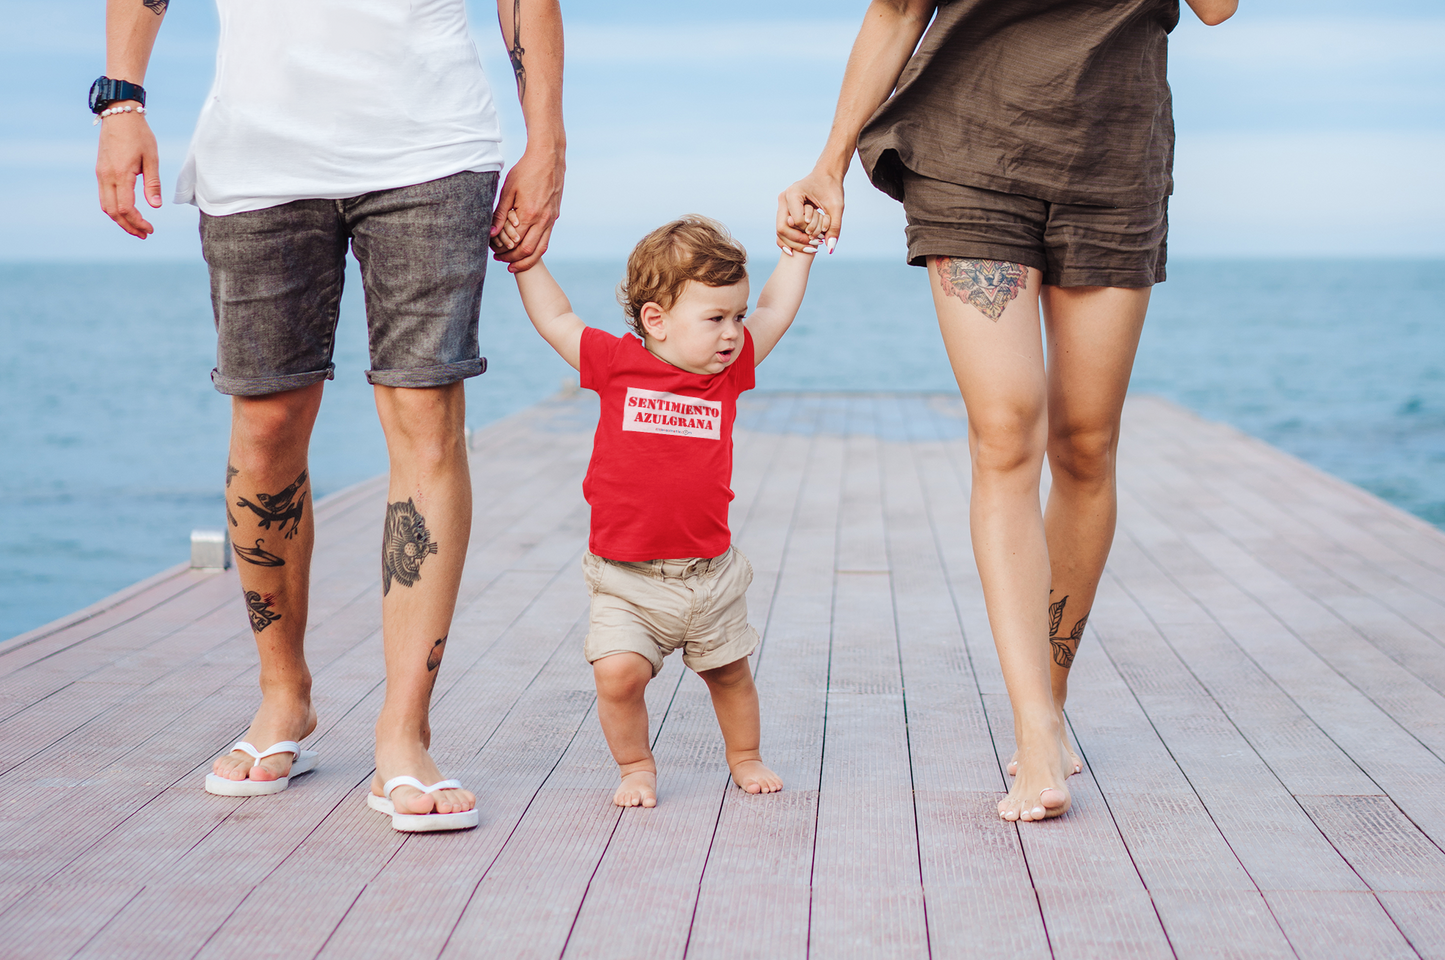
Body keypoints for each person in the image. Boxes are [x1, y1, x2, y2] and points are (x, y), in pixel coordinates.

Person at [93, 0, 565, 832]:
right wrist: (122, 103)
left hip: (431, 143)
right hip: (259, 151)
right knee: (266, 425)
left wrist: (546, 135)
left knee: (425, 420)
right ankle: (285, 699)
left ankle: (404, 732)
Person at [777, 0, 1237, 822]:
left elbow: (1217, 8)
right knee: (1004, 435)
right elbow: (896, 11)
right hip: (968, 154)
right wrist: (828, 163)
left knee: (1086, 446)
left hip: (1111, 164)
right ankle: (1031, 729)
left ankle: (1051, 702)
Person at [503, 215, 822, 807]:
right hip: (627, 579)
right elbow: (557, 319)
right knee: (617, 675)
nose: (732, 333)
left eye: (737, 316)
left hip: (709, 576)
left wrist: (799, 254)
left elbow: (776, 310)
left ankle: (745, 756)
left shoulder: (726, 374)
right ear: (657, 321)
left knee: (729, 674)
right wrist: (525, 262)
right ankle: (636, 765)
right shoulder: (616, 363)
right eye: (715, 318)